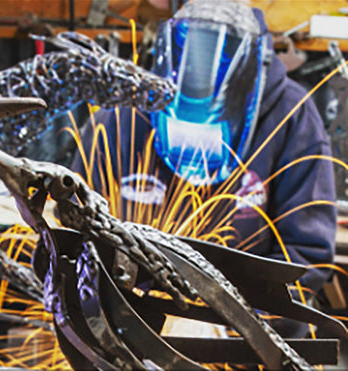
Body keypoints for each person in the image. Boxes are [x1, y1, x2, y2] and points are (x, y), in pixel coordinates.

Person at [70, 0, 336, 337]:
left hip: (252, 346)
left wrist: (229, 324)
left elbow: (306, 256)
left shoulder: (292, 117)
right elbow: (74, 235)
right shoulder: (119, 119)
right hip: (131, 336)